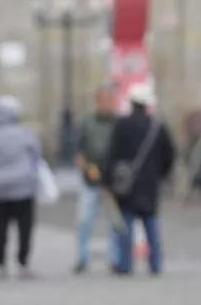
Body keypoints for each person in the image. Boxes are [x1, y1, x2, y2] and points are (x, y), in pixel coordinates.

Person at [104, 81, 175, 276]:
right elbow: (170, 154)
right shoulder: (157, 126)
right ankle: (155, 264)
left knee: (125, 226)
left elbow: (111, 154)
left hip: (126, 184)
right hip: (150, 183)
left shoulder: (122, 125)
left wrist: (107, 179)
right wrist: (161, 174)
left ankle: (125, 264)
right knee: (151, 224)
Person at [0, 95, 42, 279]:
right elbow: (36, 154)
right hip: (23, 187)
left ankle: (1, 264)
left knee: (0, 227)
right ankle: (22, 262)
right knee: (24, 227)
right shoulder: (24, 133)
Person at [74, 84, 122, 274]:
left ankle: (115, 258)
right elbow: (80, 151)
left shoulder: (119, 123)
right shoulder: (87, 122)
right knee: (84, 219)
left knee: (114, 221)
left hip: (111, 181)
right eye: (103, 100)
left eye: (109, 100)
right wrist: (86, 168)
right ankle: (82, 257)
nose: (106, 104)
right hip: (91, 177)